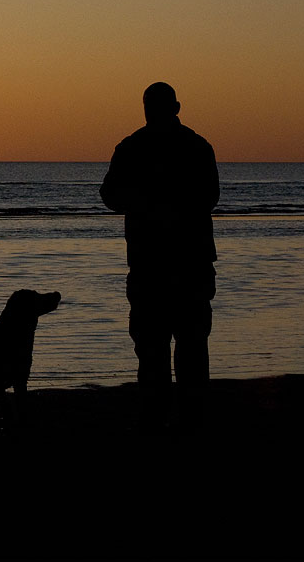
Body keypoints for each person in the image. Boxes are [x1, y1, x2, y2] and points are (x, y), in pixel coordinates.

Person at [100, 82, 219, 430]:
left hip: (160, 265)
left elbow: (109, 195)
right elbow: (209, 197)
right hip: (176, 265)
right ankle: (184, 420)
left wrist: (145, 205)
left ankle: (165, 419)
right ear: (177, 107)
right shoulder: (195, 147)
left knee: (163, 348)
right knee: (183, 348)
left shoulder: (134, 147)